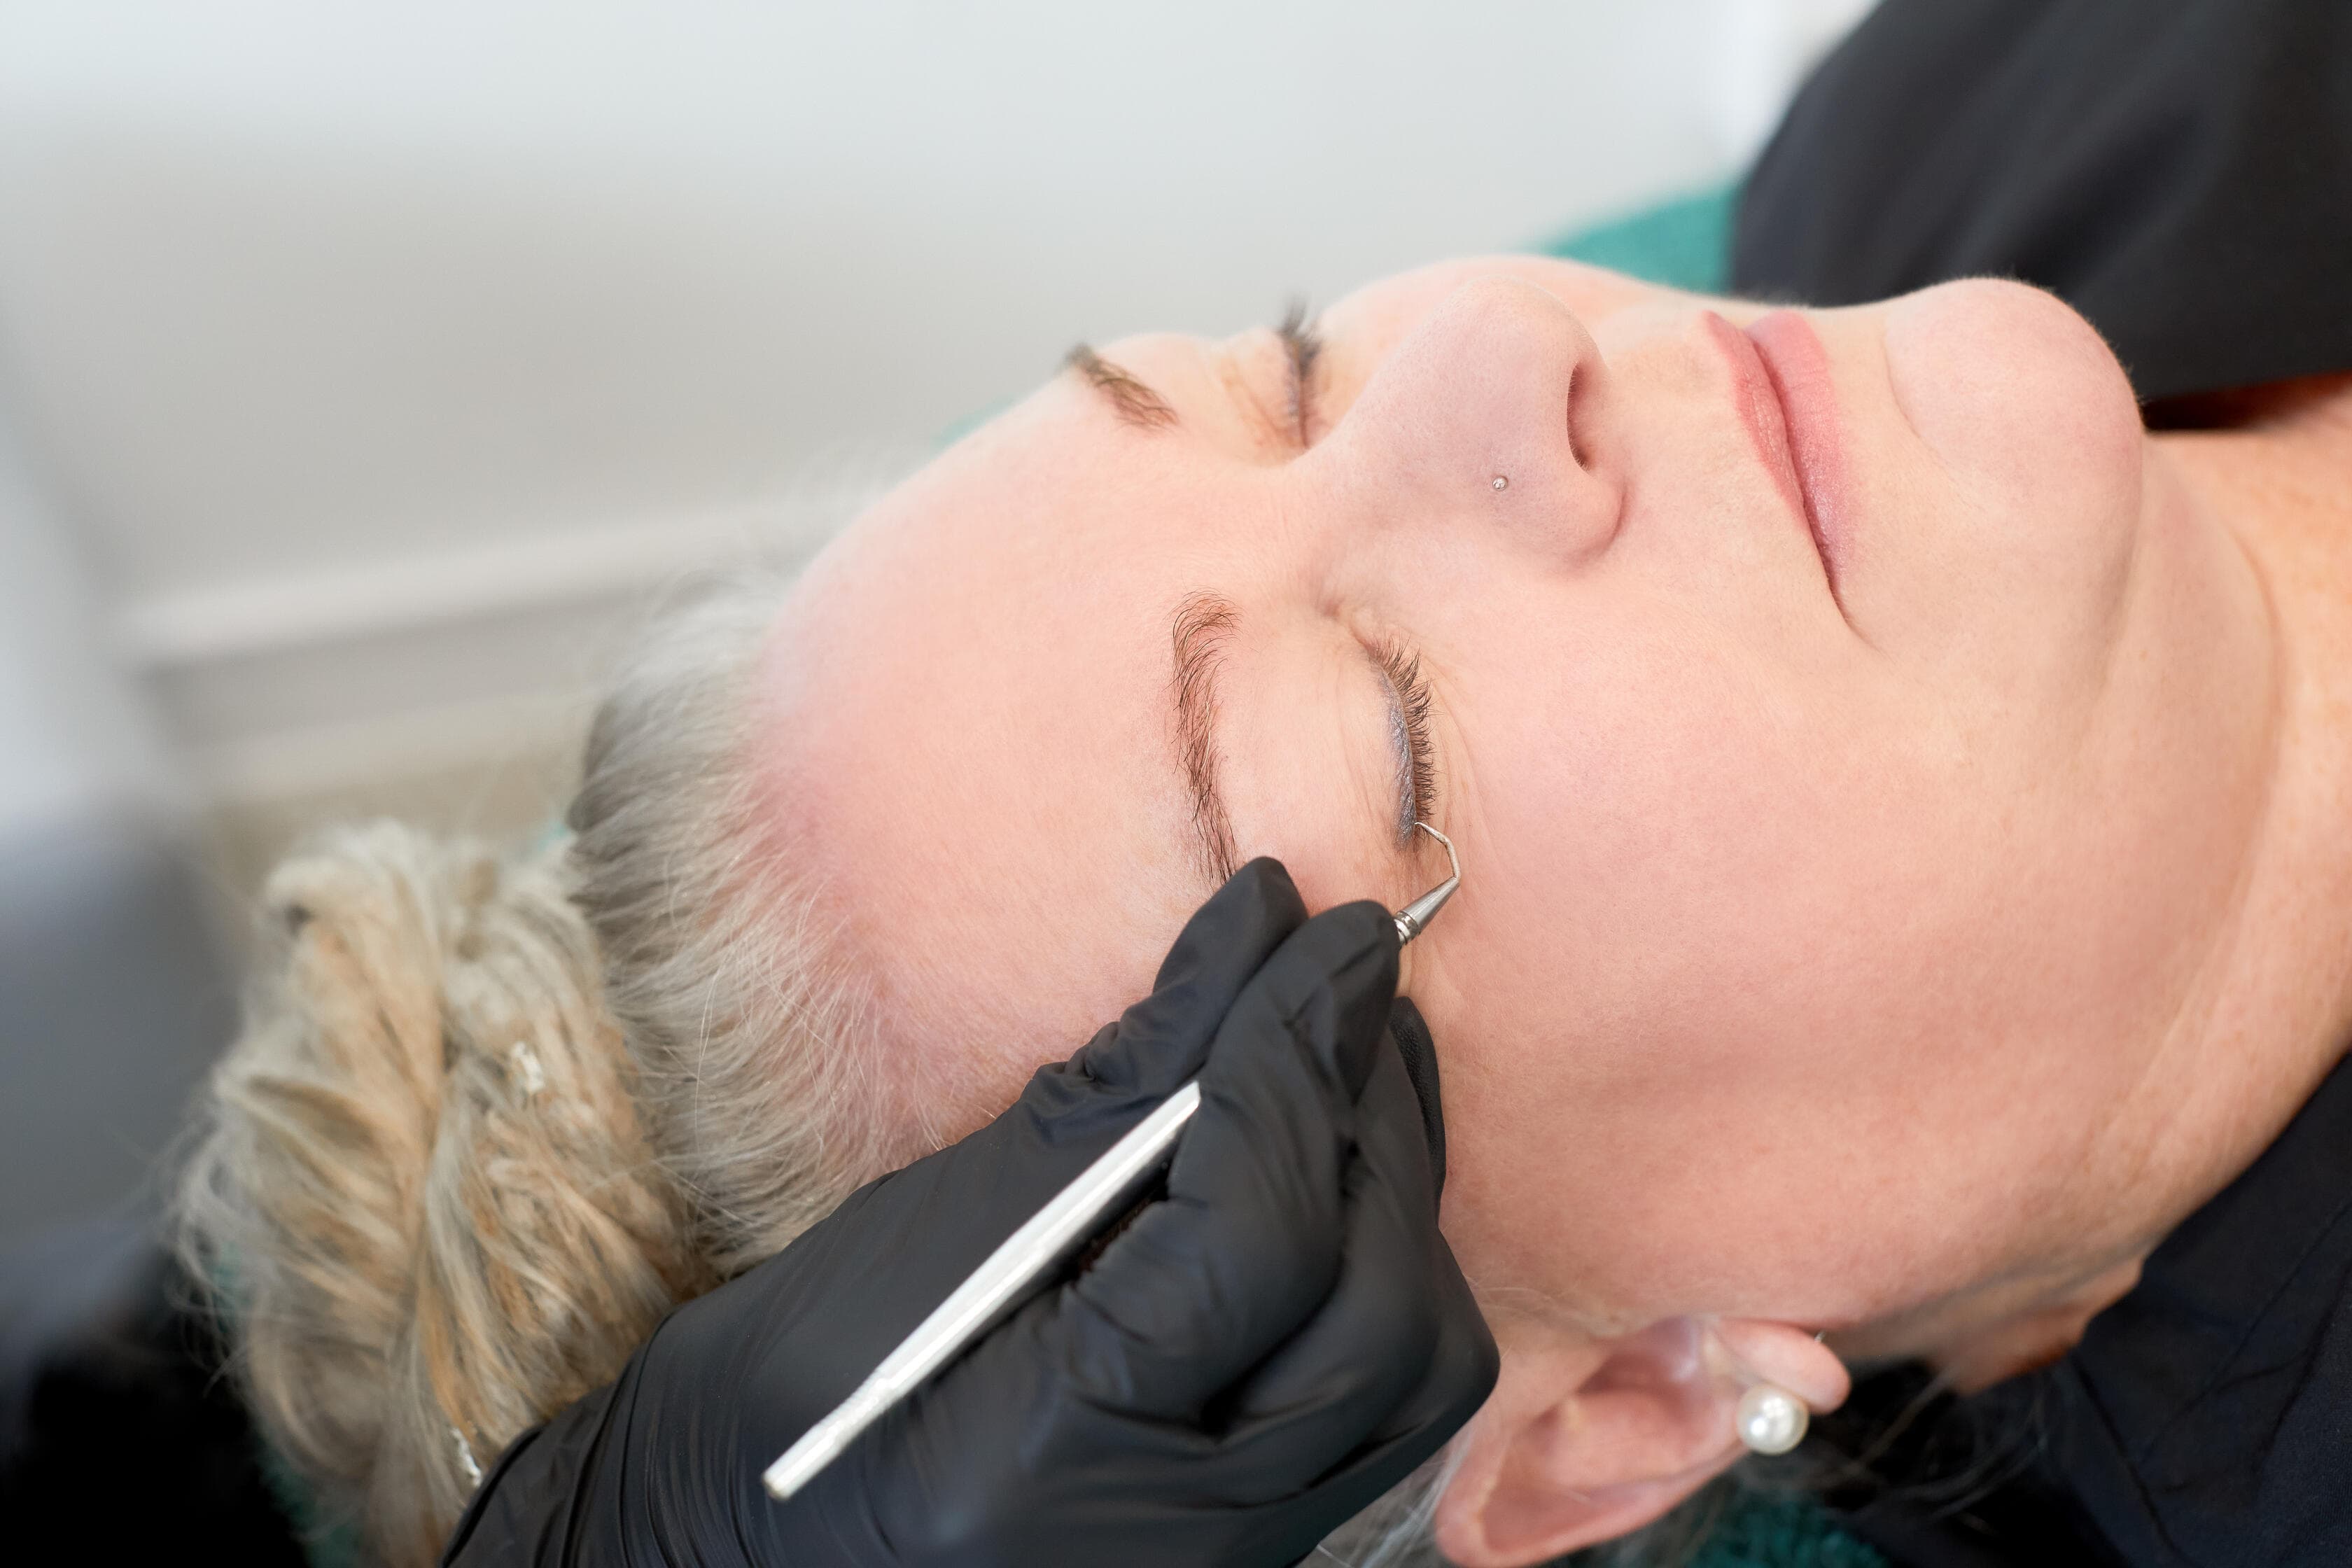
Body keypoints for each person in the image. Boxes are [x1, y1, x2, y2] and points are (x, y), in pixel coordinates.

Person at [147, 0, 2350, 1564]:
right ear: (1616, 1412)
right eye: (1387, 727)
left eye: (1286, 373)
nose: (1505, 357)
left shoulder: (1953, 121)